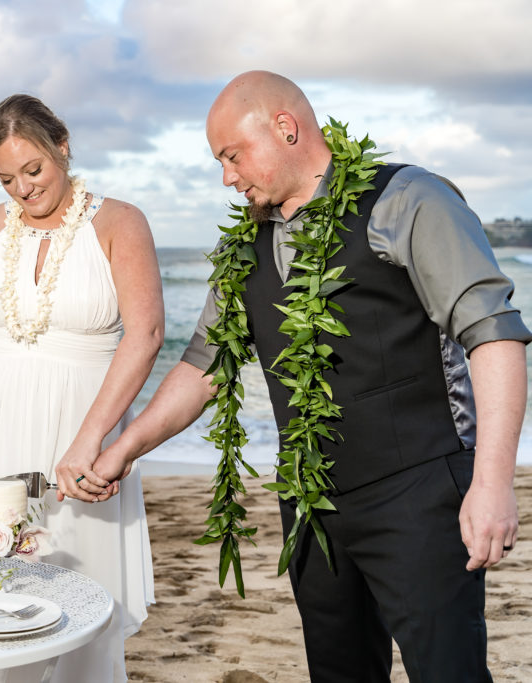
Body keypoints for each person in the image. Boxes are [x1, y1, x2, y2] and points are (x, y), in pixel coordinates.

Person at [88, 71, 530, 682]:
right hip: (310, 507)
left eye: (233, 155)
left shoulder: (409, 199)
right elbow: (204, 364)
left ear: (286, 128)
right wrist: (124, 449)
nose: (227, 177)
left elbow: (494, 333)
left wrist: (494, 482)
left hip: (421, 494)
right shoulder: (245, 247)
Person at [0, 94, 163, 683]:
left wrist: (92, 438)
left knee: (77, 600)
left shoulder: (121, 222)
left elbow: (145, 335)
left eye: (34, 170)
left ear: (62, 146)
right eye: (5, 179)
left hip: (80, 429)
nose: (22, 189)